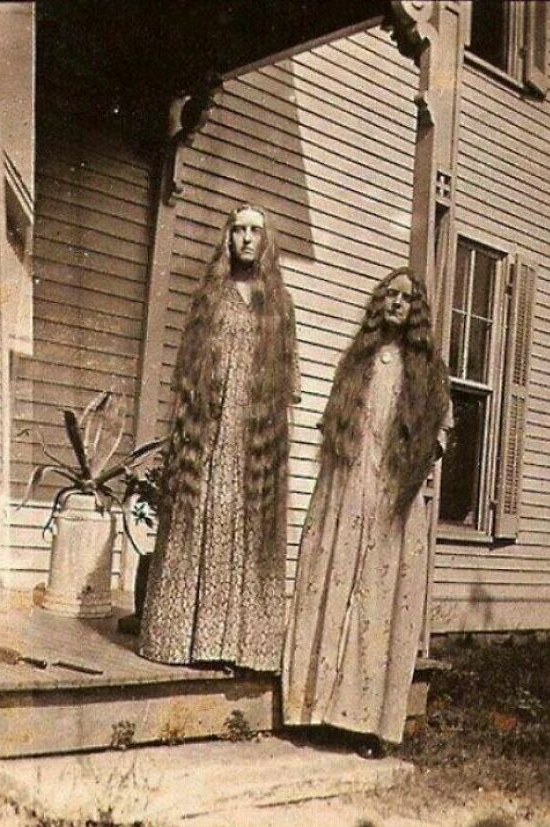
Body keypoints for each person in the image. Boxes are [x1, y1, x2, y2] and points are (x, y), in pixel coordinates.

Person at [282, 266, 451, 756]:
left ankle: (365, 725)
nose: (396, 303)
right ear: (379, 302)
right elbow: (333, 421)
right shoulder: (357, 359)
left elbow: (441, 432)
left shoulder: (427, 371)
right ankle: (312, 712)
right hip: (345, 485)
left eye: (407, 298)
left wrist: (411, 466)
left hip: (392, 494)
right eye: (390, 295)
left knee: (377, 600)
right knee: (330, 585)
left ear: (416, 311)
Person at [139, 204, 300, 672]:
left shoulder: (278, 303)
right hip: (210, 427)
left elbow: (287, 373)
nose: (246, 239)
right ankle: (184, 640)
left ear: (267, 241)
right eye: (238, 230)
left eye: (255, 231)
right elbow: (189, 367)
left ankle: (239, 645)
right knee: (203, 515)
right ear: (227, 238)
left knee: (245, 524)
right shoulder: (211, 295)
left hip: (254, 432)